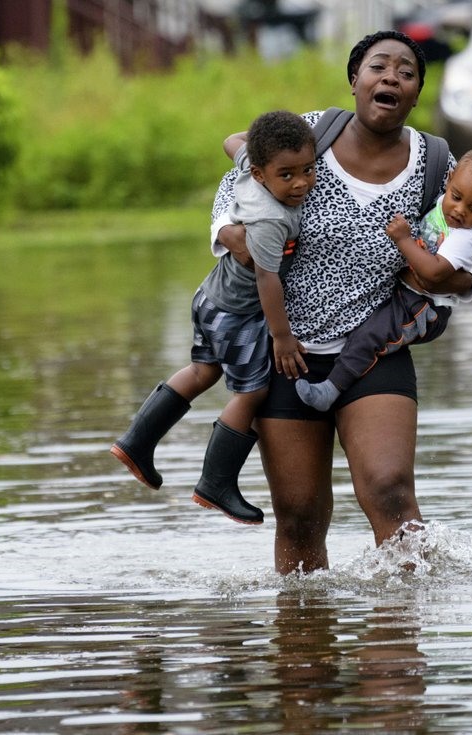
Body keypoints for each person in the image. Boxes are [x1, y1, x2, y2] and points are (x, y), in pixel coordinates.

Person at [212, 30, 472, 573]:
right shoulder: (310, 133)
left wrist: (452, 276)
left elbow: (467, 235)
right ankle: (304, 644)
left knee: (390, 490)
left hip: (374, 347)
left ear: (416, 94)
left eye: (406, 72)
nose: (391, 77)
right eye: (379, 66)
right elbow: (237, 180)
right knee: (300, 514)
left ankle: (403, 638)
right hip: (285, 350)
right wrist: (230, 233)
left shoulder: (437, 164)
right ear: (355, 79)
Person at [110, 110, 316, 525]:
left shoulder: (248, 166)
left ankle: (136, 441)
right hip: (238, 313)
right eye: (287, 175)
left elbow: (230, 140)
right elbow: (266, 278)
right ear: (260, 175)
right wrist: (281, 337)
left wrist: (257, 144)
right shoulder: (271, 218)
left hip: (209, 299)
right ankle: (216, 483)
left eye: (308, 170)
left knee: (203, 370)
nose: (301, 183)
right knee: (252, 392)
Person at [295, 146, 472, 411]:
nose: (459, 210)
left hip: (423, 308)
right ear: (449, 178)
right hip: (406, 294)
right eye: (456, 196)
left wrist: (402, 240)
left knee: (371, 336)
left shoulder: (466, 238)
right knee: (364, 326)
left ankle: (330, 390)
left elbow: (432, 274)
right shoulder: (441, 203)